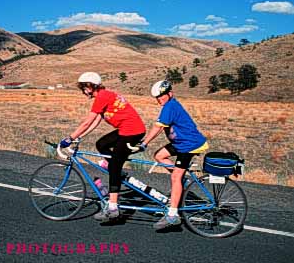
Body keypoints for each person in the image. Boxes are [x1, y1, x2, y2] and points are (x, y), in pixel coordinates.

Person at [60, 72, 146, 222]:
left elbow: (87, 122)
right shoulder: (104, 96)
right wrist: (81, 136)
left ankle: (113, 207)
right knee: (101, 144)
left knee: (115, 168)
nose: (83, 91)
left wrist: (70, 138)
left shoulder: (102, 96)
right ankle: (113, 166)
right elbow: (95, 122)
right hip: (125, 130)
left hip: (132, 132)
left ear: (91, 86)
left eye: (83, 88)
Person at [138, 80, 208, 230]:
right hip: (180, 144)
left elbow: (157, 128)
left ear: (170, 94)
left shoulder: (170, 106)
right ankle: (182, 179)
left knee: (175, 177)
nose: (159, 99)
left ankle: (172, 215)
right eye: (157, 97)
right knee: (159, 155)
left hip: (189, 145)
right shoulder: (169, 105)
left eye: (161, 96)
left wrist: (144, 143)